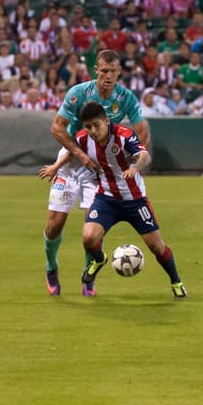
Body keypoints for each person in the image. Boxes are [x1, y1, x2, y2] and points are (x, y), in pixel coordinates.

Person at [37, 50, 148, 297]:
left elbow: (141, 129)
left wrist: (133, 157)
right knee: (55, 224)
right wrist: (81, 154)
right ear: (96, 70)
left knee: (94, 225)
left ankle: (89, 275)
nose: (107, 76)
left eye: (112, 71)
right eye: (103, 71)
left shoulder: (126, 98)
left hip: (99, 168)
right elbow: (57, 128)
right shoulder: (78, 93)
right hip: (70, 161)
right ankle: (51, 266)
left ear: (119, 72)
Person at [52, 102, 186, 299]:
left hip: (135, 201)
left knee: (157, 247)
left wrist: (134, 168)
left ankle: (176, 281)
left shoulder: (124, 135)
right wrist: (55, 167)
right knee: (89, 238)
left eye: (96, 125)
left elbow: (145, 156)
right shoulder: (83, 138)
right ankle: (99, 260)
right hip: (106, 199)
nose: (93, 131)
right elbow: (72, 151)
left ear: (106, 121)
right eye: (88, 126)